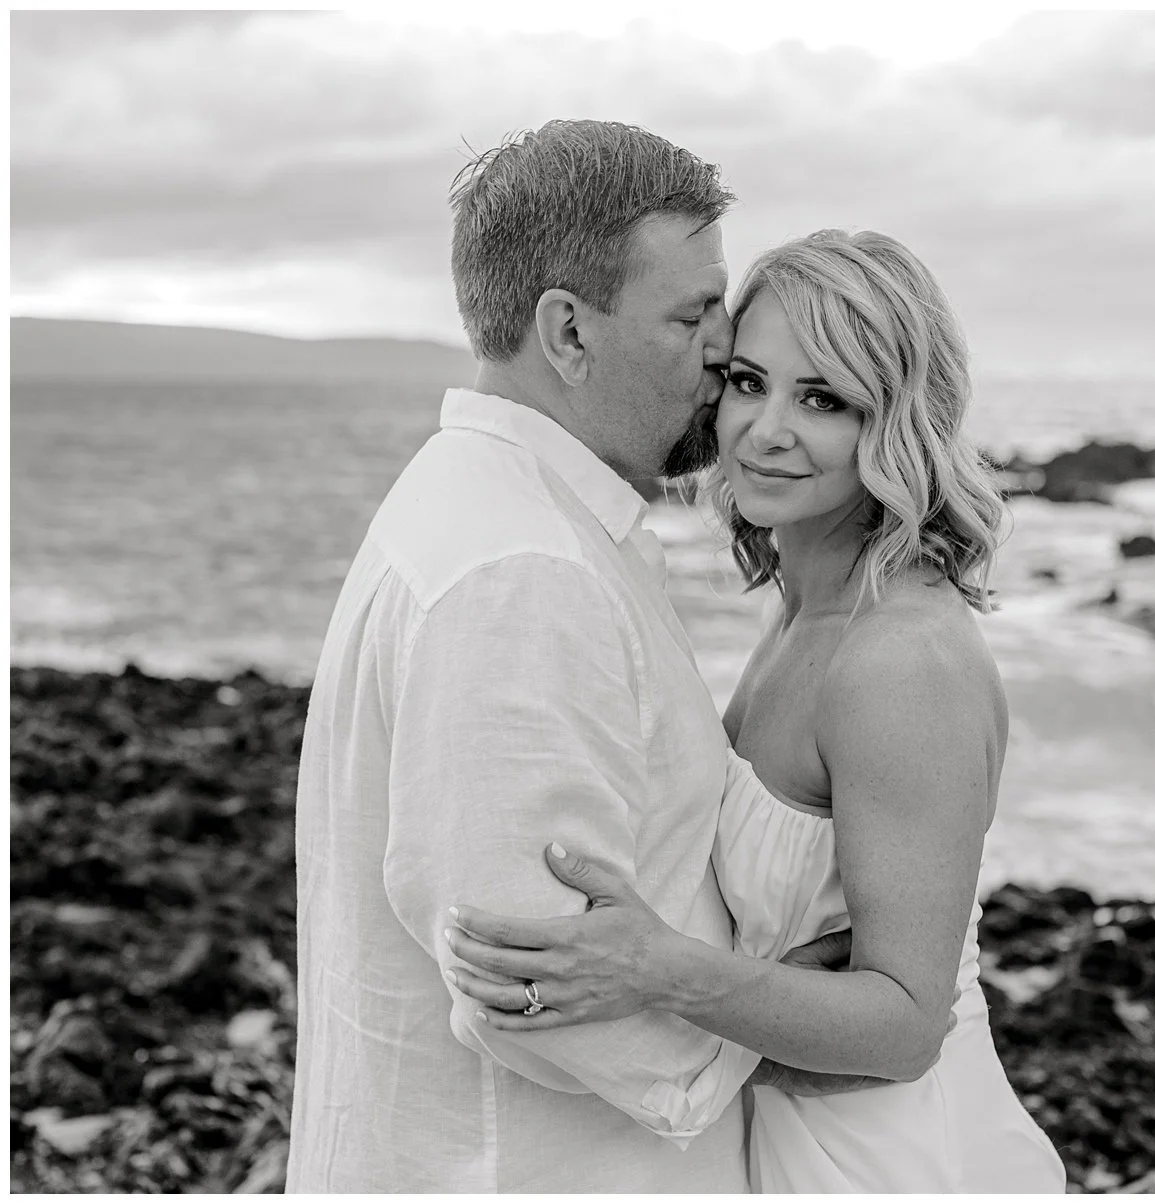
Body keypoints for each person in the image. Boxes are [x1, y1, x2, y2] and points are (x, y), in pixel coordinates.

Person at [287, 120, 869, 1193]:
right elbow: (531, 972)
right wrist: (793, 1020)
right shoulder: (522, 571)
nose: (726, 350)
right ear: (567, 332)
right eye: (692, 313)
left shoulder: (490, 512)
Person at [446, 229, 1068, 1191]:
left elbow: (907, 1029)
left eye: (823, 399)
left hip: (891, 1163)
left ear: (898, 422)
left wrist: (658, 971)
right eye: (748, 381)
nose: (765, 430)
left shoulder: (900, 659)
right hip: (789, 1141)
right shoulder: (806, 606)